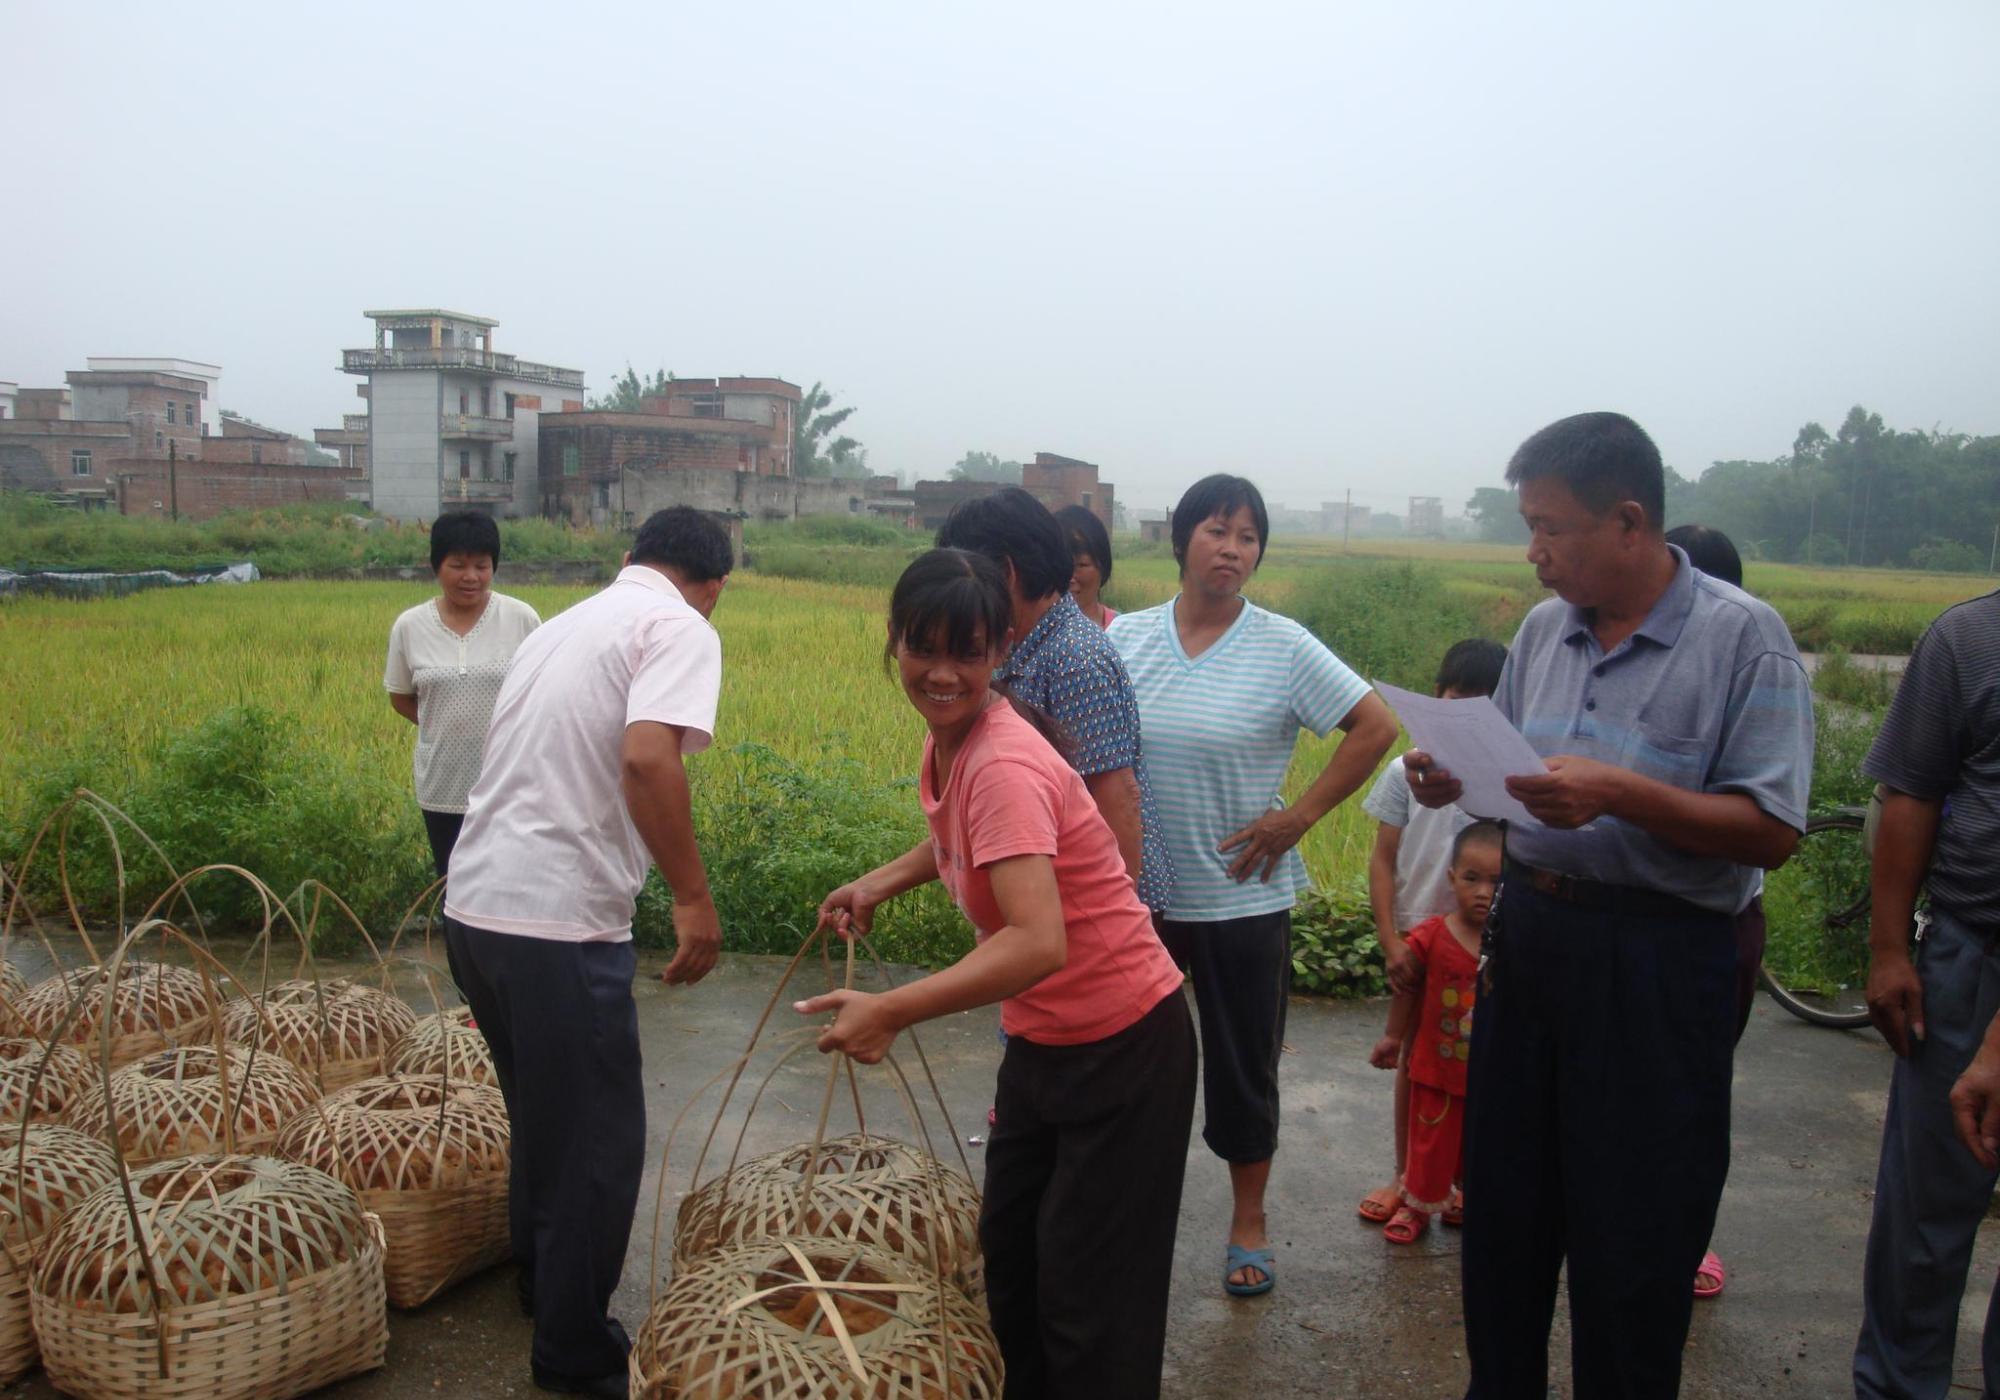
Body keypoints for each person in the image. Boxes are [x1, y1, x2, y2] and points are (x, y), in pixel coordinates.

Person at [1405, 412, 1813, 1398]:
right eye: (1528, 528)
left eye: (1550, 528)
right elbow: (1512, 774)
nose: (1534, 552)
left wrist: (1622, 793)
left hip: (1657, 959)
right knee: (1506, 1223)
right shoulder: (1543, 630)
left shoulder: (1742, 638)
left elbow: (1771, 828)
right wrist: (1451, 777)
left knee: (1633, 1239)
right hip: (1532, 940)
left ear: (1628, 521)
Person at [801, 548, 1195, 1399]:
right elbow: (963, 836)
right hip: (1044, 1043)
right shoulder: (957, 738)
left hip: (1125, 1048)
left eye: (968, 654)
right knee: (1014, 1268)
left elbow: (1037, 943)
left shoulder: (1003, 760)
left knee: (1089, 1305)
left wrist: (893, 1009)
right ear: (895, 640)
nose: (942, 674)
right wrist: (879, 881)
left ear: (1000, 652)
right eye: (924, 648)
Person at [443, 507, 733, 1400]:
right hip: (556, 924)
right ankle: (573, 1351)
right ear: (714, 586)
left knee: (543, 1112)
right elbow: (648, 759)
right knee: (598, 1144)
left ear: (629, 557)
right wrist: (692, 896)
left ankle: (542, 1281)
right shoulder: (677, 626)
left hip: (475, 909)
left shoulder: (565, 624)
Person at [1109, 473, 1397, 1297]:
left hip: (1241, 898)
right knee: (1130, 1065)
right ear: (1182, 540)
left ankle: (1248, 1222)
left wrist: (1297, 817)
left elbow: (1374, 725)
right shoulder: (1127, 638)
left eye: (1247, 536)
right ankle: (1127, 1214)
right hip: (1139, 900)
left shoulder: (1283, 644)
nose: (1232, 549)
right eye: (1216, 531)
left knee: (1244, 1070)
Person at [1852, 583, 2000, 1399]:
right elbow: (1913, 790)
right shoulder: (1969, 637)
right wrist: (1887, 949)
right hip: (1967, 954)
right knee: (1925, 1215)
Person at [936, 487, 1171, 911]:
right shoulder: (1017, 647)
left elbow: (1117, 802)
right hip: (1052, 903)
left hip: (1096, 918)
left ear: (1005, 573)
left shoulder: (1073, 659)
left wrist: (1112, 924)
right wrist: (877, 884)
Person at [1356, 638, 1506, 1230]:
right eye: (1454, 698)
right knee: (1414, 1062)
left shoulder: (1509, 780)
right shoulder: (1406, 772)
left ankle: (1463, 1181)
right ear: (1436, 695)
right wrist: (1391, 939)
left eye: (1481, 704)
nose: (1462, 714)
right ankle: (1409, 1178)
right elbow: (1382, 859)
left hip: (1488, 947)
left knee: (1481, 1064)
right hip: (1422, 940)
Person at [1666, 521, 1759, 1301]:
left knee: (1693, 1088)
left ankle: (1688, 1236)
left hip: (1713, 920)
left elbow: (1769, 825)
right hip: (1609, 920)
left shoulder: (1748, 656)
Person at [383, 510, 540, 879]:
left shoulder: (521, 619)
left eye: (481, 566)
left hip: (509, 785)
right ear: (436, 566)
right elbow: (401, 696)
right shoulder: (410, 626)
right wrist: (445, 724)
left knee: (508, 883)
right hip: (442, 783)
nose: (471, 577)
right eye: (458, 565)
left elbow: (540, 694)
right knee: (452, 884)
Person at [1368, 821, 1503, 1244]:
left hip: (1489, 1073)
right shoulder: (1432, 935)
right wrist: (1393, 1038)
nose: (1483, 892)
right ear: (1451, 878)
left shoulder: (1510, 942)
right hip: (1435, 1069)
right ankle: (1417, 1207)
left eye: (1496, 882)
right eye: (1471, 878)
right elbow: (1406, 987)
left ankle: (1462, 1198)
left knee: (1479, 1144)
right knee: (1431, 1145)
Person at [1056, 503, 1118, 628]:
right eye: (1060, 564)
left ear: (1103, 566)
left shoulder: (1121, 629)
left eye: (1081, 565)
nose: (1070, 578)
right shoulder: (1031, 633)